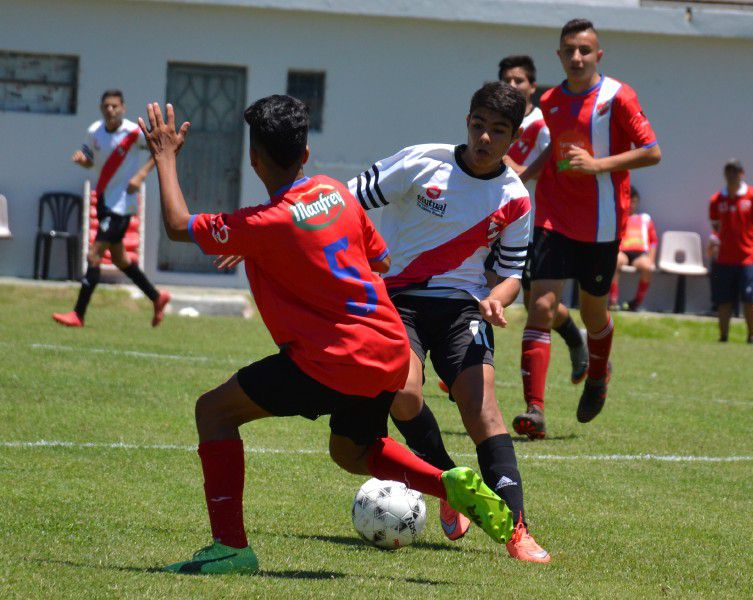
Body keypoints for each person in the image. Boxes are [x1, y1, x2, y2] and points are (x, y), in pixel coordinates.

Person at [140, 96, 514, 575]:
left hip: (335, 359)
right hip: (389, 351)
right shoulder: (335, 192)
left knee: (213, 412)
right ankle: (448, 483)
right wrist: (269, 252)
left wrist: (165, 156)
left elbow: (176, 225)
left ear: (254, 159)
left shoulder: (263, 224)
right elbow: (377, 260)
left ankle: (230, 548)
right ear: (306, 155)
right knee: (351, 450)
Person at [347, 82, 550, 563]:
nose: (484, 138)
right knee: (405, 394)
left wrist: (497, 301)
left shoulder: (514, 197)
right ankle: (445, 484)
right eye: (478, 126)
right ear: (468, 122)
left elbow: (510, 275)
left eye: (497, 131)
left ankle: (517, 530)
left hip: (465, 307)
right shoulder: (422, 161)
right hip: (398, 299)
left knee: (484, 413)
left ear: (513, 137)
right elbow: (345, 202)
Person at [515, 18, 661, 436]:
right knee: (540, 306)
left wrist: (599, 165)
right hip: (553, 215)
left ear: (598, 55)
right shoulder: (551, 99)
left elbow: (651, 152)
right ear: (559, 56)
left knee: (595, 313)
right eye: (569, 51)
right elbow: (555, 150)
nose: (577, 57)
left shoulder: (618, 96)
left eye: (584, 50)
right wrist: (526, 174)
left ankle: (598, 375)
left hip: (602, 222)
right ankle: (535, 412)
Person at [499, 54, 589, 391]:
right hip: (498, 222)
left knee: (537, 301)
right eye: (506, 80)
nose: (512, 86)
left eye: (518, 80)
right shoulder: (496, 122)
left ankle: (577, 340)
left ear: (532, 87)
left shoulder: (540, 123)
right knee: (491, 288)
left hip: (534, 223)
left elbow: (539, 165)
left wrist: (511, 163)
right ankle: (463, 365)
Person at [52, 90, 169, 328]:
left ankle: (78, 314)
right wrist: (82, 160)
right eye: (106, 106)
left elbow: (161, 151)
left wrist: (141, 174)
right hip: (105, 200)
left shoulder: (133, 133)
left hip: (123, 205)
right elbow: (90, 161)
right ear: (101, 108)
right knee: (119, 259)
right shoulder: (95, 131)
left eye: (115, 106)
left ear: (123, 108)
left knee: (94, 255)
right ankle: (157, 297)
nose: (110, 110)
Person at [708, 159, 753, 343]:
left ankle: (751, 336)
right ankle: (723, 336)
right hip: (725, 257)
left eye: (736, 171)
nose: (732, 175)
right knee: (723, 299)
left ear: (742, 173)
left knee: (749, 298)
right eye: (729, 171)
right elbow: (716, 228)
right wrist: (712, 244)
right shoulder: (716, 200)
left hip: (749, 256)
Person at [611, 187, 657, 311]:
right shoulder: (619, 217)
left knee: (647, 267)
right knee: (615, 261)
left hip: (640, 254)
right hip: (623, 252)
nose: (631, 205)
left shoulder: (645, 219)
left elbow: (653, 241)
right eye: (629, 201)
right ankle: (613, 300)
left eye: (634, 202)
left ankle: (636, 302)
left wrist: (651, 259)